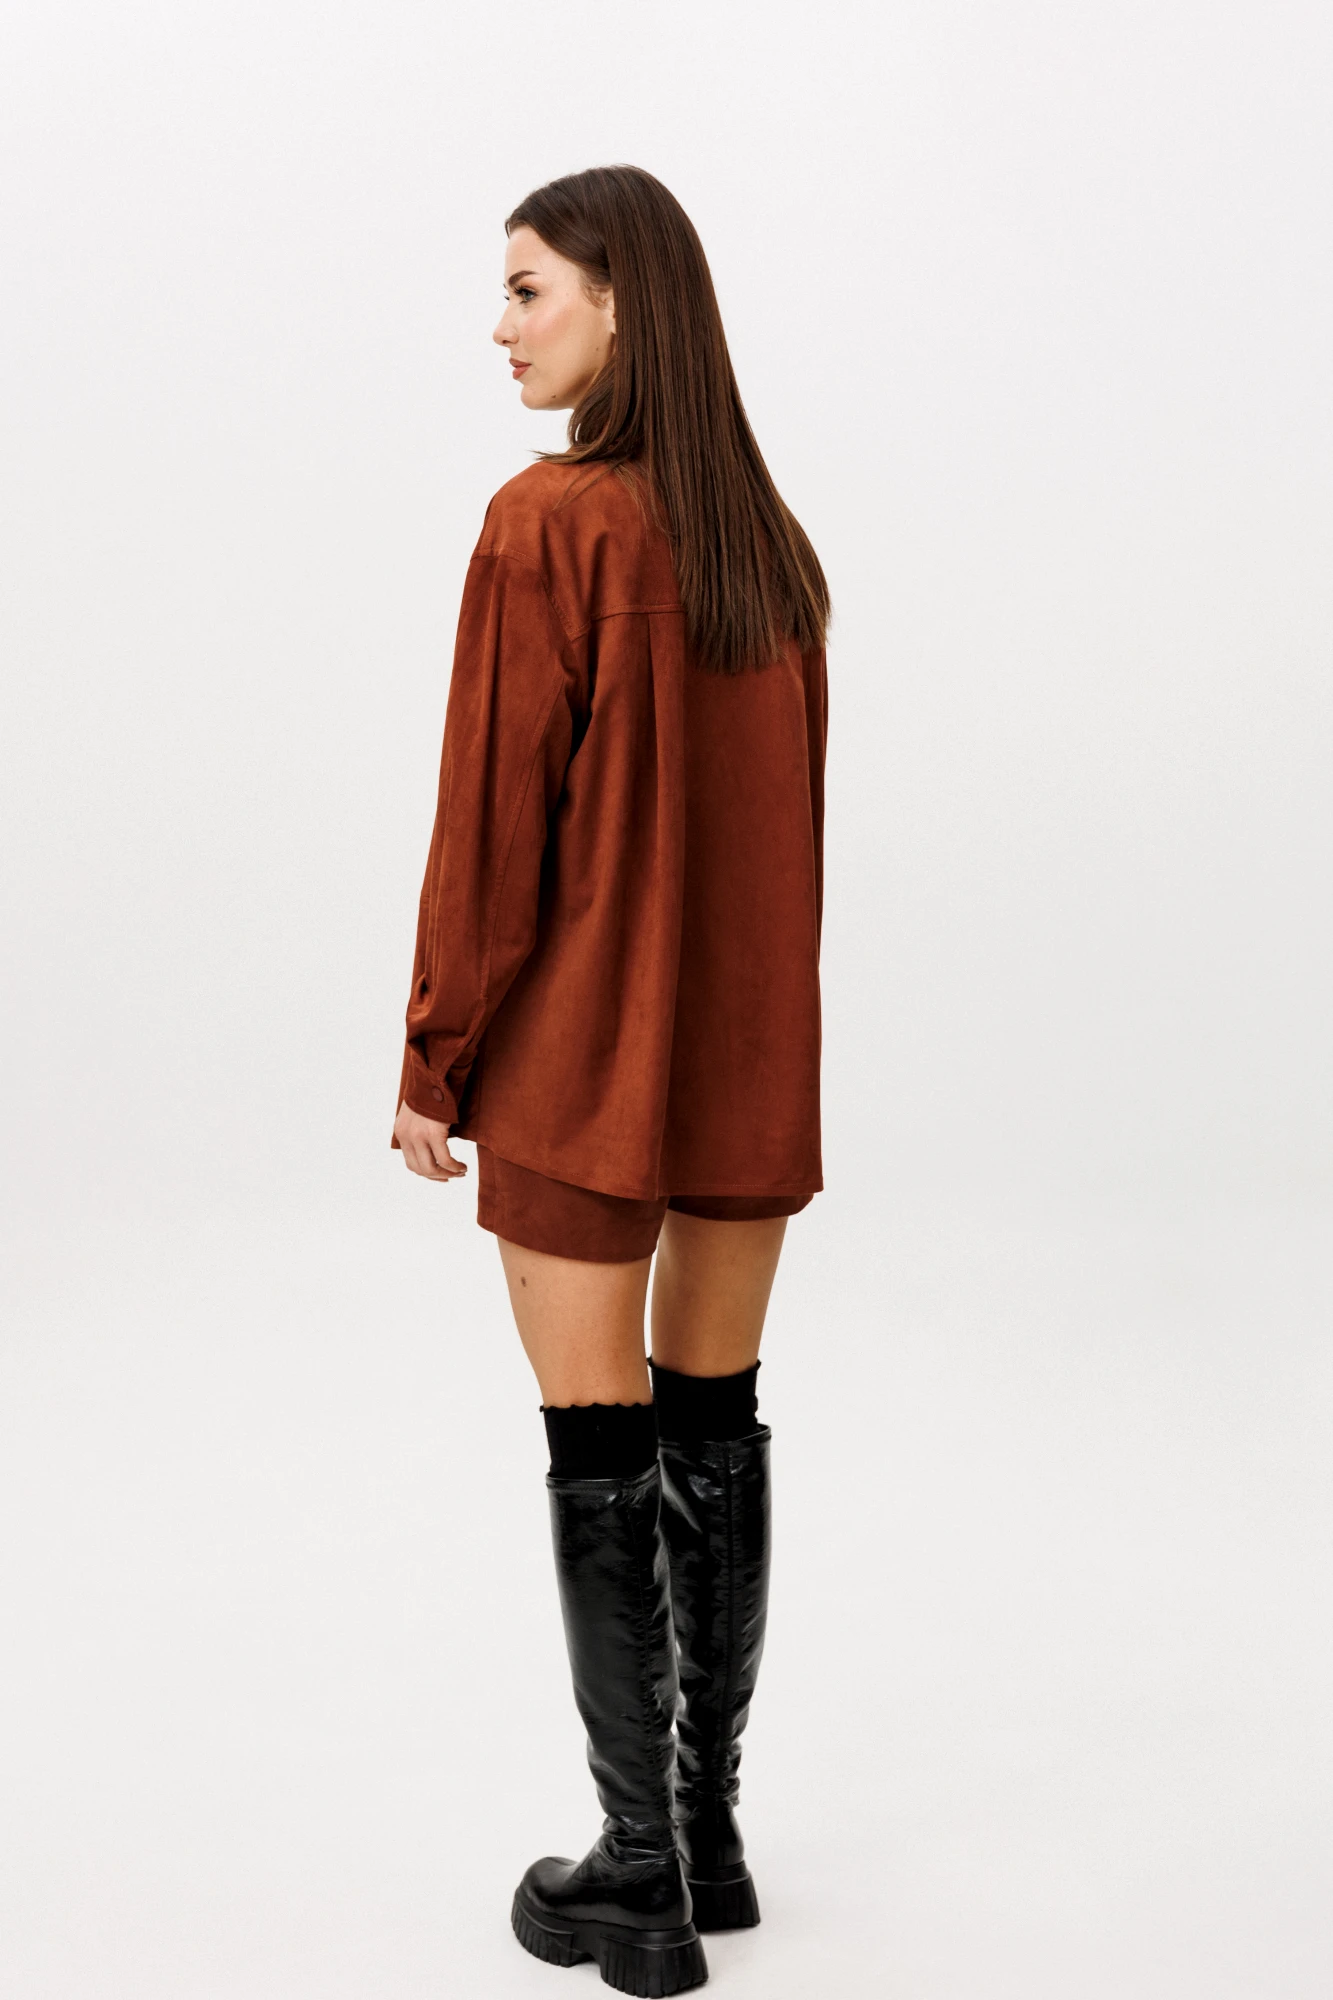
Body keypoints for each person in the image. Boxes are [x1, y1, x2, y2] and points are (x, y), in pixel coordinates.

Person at [392, 165, 828, 1998]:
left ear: (621, 303)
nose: (500, 326)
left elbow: (493, 823)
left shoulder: (545, 525)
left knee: (601, 1447)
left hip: (583, 1067)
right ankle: (706, 1836)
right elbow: (794, 847)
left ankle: (635, 1874)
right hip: (745, 1067)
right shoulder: (770, 552)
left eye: (528, 289)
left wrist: (438, 1052)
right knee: (714, 1426)